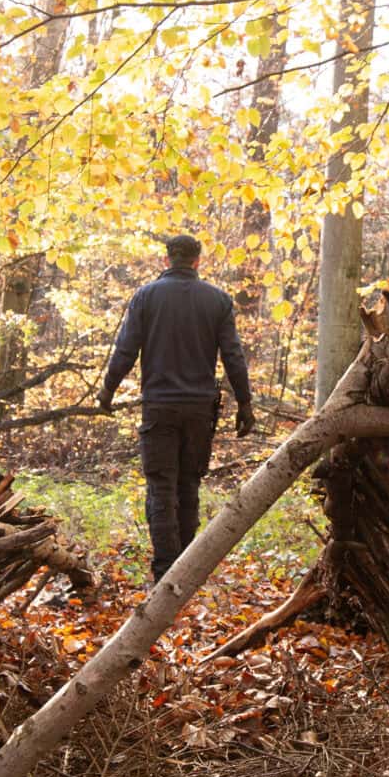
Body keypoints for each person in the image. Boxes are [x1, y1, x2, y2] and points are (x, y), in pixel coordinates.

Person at [98, 235, 255, 579]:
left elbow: (126, 349)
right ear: (198, 260)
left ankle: (166, 571)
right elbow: (233, 356)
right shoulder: (218, 300)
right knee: (188, 485)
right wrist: (245, 403)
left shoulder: (146, 297)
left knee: (161, 487)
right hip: (200, 410)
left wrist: (107, 391)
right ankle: (184, 572)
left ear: (167, 259)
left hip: (159, 408)